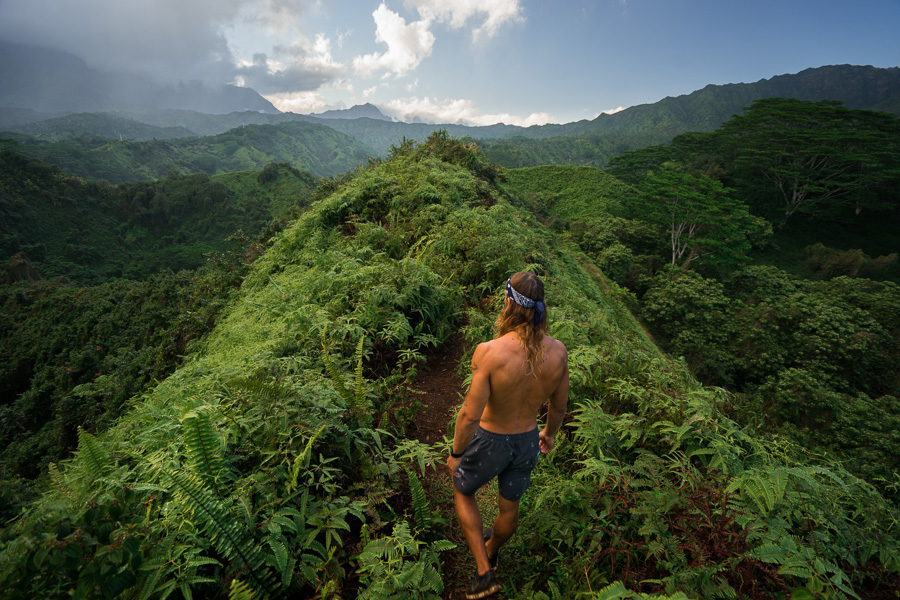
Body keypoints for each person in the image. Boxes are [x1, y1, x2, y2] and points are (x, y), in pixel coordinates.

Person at [446, 272, 569, 599]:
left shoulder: (490, 352)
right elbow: (558, 408)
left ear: (509, 303)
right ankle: (493, 548)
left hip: (490, 440)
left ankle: (484, 573)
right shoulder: (558, 353)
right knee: (508, 511)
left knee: (462, 488)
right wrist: (549, 435)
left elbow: (470, 414)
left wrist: (457, 453)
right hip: (527, 442)